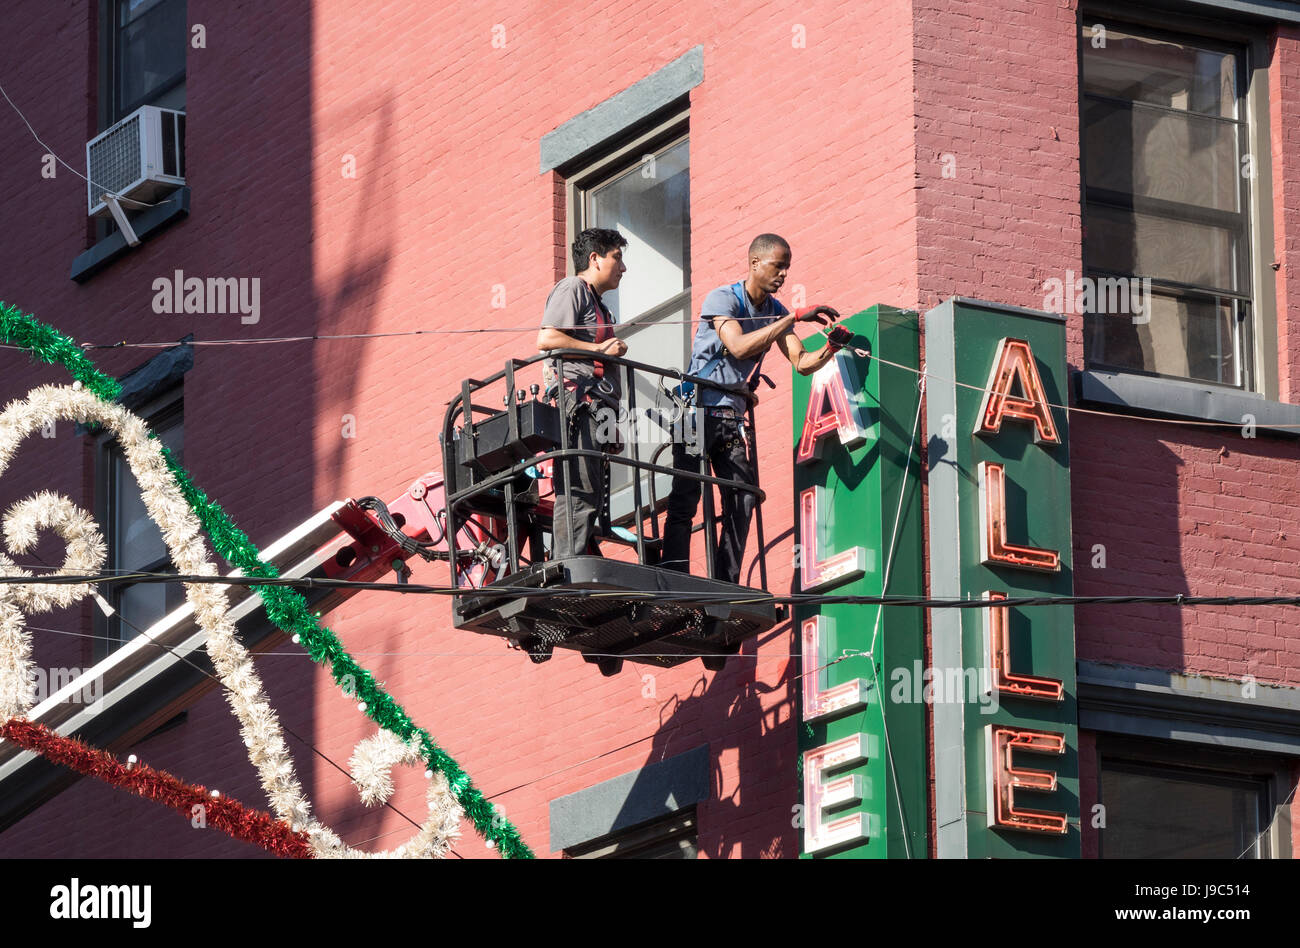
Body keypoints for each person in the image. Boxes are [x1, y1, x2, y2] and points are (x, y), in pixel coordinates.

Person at [661, 233, 848, 584]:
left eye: (787, 269)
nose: (783, 276)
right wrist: (793, 317)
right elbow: (738, 345)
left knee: (743, 498)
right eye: (778, 266)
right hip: (694, 411)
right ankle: (673, 571)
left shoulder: (774, 312)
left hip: (729, 417)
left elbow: (802, 363)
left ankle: (724, 581)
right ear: (755, 263)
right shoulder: (724, 298)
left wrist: (831, 349)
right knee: (687, 494)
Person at [537, 228, 629, 558]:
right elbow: (547, 339)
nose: (623, 267)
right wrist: (599, 347)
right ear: (594, 258)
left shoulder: (597, 303)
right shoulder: (572, 288)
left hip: (596, 407)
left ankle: (577, 558)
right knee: (579, 489)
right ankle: (568, 565)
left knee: (589, 490)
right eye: (617, 258)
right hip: (578, 401)